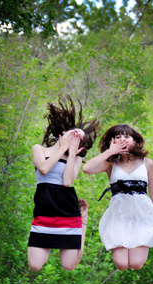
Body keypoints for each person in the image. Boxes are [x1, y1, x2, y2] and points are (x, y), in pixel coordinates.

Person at [83, 124, 153, 271]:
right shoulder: (111, 164)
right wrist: (110, 151)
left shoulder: (147, 163)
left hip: (142, 216)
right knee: (122, 264)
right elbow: (87, 168)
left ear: (135, 141)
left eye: (126, 136)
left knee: (136, 264)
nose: (122, 139)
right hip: (119, 216)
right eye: (118, 137)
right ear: (112, 141)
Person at [28, 96, 100, 271]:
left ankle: (83, 221)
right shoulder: (40, 149)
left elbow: (67, 182)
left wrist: (72, 154)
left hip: (67, 211)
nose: (75, 137)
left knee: (69, 266)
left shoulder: (75, 159)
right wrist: (61, 148)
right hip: (44, 210)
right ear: (64, 132)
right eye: (74, 133)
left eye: (79, 138)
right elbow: (43, 168)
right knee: (35, 265)